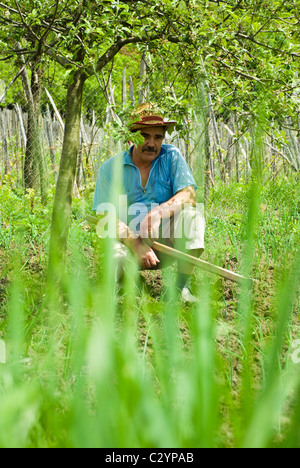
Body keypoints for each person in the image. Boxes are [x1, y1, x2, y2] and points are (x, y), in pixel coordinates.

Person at [92, 103, 205, 303]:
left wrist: (157, 214)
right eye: (145, 136)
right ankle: (130, 286)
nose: (152, 143)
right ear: (130, 137)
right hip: (126, 242)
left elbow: (189, 195)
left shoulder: (171, 157)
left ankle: (181, 289)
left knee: (192, 218)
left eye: (158, 137)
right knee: (115, 260)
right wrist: (135, 244)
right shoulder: (111, 169)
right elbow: (105, 217)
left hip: (165, 243)